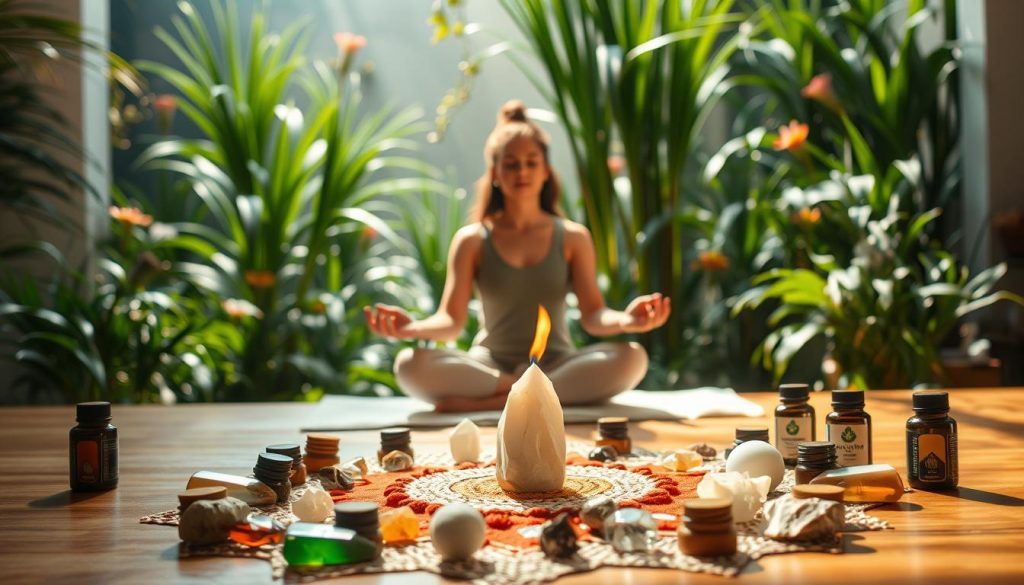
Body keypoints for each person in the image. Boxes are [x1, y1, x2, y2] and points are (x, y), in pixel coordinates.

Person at [364, 100, 670, 412]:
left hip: (557, 364)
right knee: (409, 364)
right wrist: (410, 328)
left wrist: (628, 319)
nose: (522, 171)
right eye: (511, 164)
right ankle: (525, 392)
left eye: (531, 162)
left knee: (632, 357)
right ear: (495, 172)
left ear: (546, 171)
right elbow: (451, 322)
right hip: (490, 366)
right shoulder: (472, 240)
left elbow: (594, 316)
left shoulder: (573, 237)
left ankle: (497, 402)